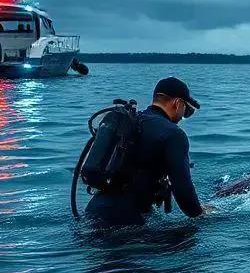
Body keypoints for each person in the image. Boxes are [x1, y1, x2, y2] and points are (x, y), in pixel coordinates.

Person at [85, 77, 207, 226]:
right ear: (178, 103)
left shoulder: (132, 121)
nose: (183, 116)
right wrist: (201, 214)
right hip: (126, 221)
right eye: (186, 111)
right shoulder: (173, 134)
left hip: (94, 211)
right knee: (187, 243)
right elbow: (183, 189)